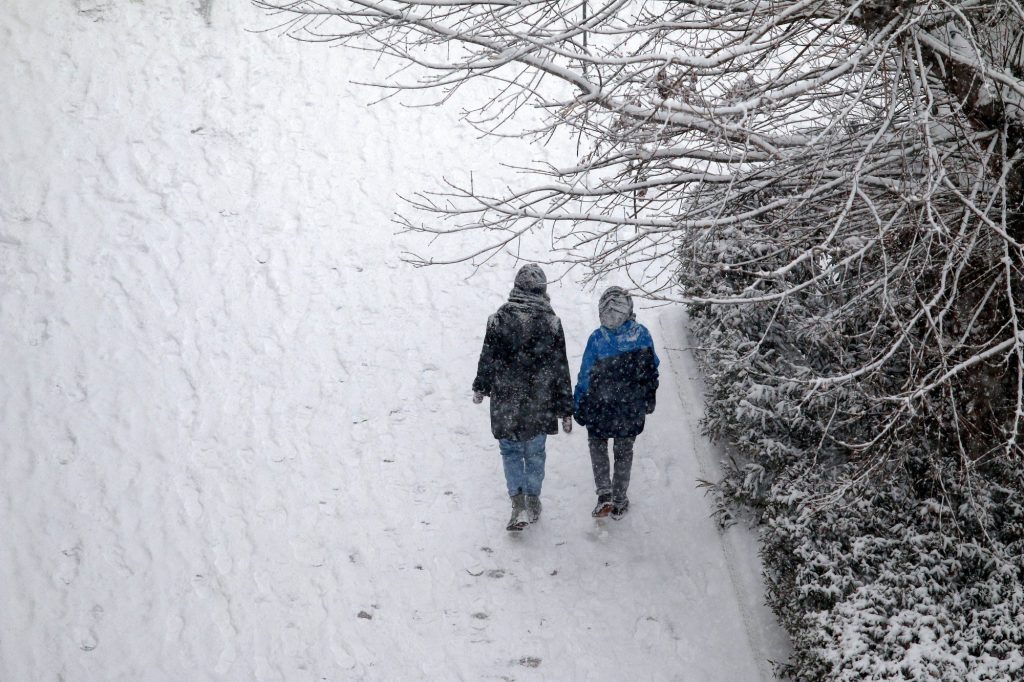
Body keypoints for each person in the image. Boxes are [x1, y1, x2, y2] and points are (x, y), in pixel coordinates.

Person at [472, 264, 574, 531]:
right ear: (543, 291)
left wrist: (481, 386)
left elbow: (488, 357)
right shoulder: (551, 323)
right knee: (535, 452)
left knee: (510, 452)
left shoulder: (497, 320)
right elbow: (560, 365)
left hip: (506, 398)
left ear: (516, 288)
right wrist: (565, 408)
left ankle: (517, 502)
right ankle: (532, 499)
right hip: (539, 400)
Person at [573, 286, 659, 519]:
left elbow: (585, 375)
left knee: (597, 446)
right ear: (629, 308)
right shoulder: (642, 335)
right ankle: (619, 499)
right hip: (629, 409)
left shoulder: (598, 338)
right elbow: (652, 370)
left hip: (599, 406)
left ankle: (604, 493)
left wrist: (579, 403)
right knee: (624, 452)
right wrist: (649, 397)